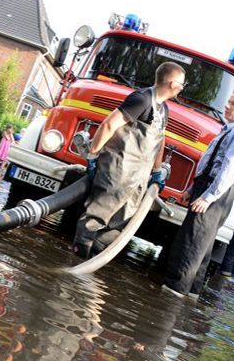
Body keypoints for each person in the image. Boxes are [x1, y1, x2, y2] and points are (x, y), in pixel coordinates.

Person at [72, 62, 186, 259]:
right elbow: (109, 124)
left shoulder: (163, 108)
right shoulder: (141, 99)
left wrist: (157, 171)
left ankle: (92, 259)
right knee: (97, 216)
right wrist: (93, 155)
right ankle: (75, 259)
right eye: (182, 84)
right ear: (172, 83)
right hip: (117, 170)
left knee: (123, 221)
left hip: (138, 177)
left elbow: (160, 139)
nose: (183, 88)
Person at [163, 89, 234, 299]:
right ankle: (192, 294)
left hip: (215, 191)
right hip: (208, 187)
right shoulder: (228, 129)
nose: (227, 106)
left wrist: (208, 196)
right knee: (203, 246)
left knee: (191, 243)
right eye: (229, 101)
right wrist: (192, 189)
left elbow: (228, 168)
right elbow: (210, 162)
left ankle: (172, 293)